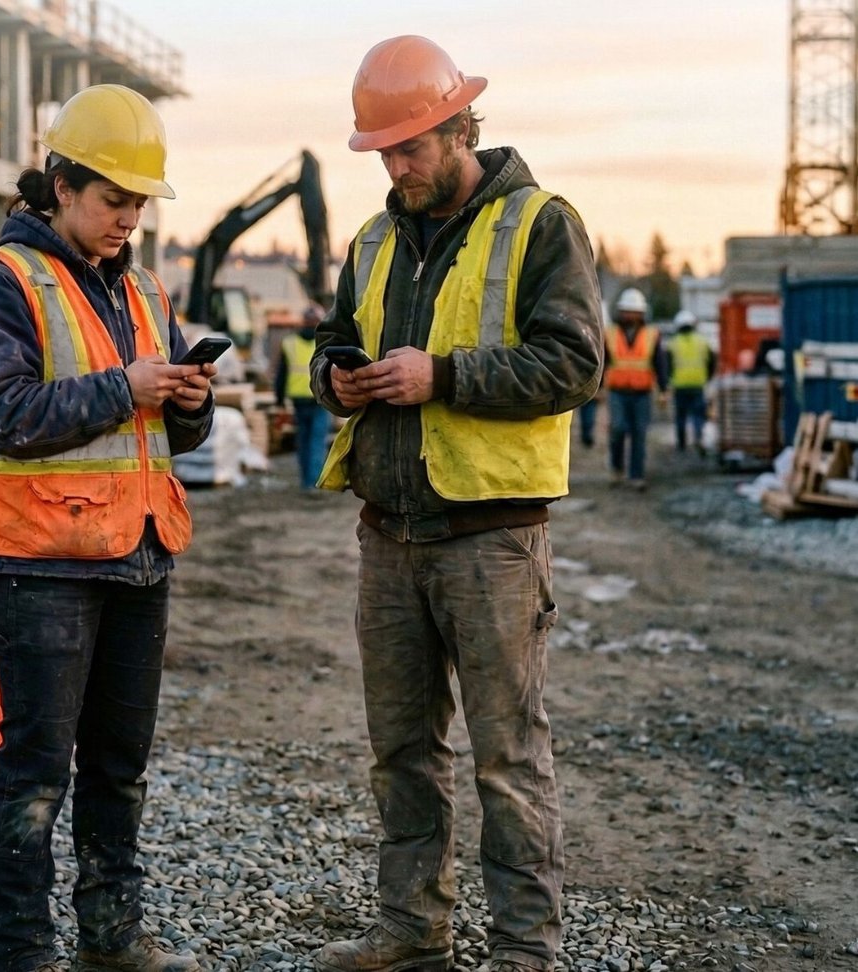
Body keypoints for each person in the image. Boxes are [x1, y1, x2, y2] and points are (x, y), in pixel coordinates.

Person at [309, 35, 604, 972]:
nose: (396, 169)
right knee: (400, 750)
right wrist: (336, 382)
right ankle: (411, 930)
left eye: (410, 149)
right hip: (387, 537)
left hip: (491, 541)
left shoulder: (538, 224)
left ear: (455, 127)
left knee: (506, 758)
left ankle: (524, 950)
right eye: (384, 153)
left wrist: (442, 374)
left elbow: (574, 362)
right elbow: (330, 342)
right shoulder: (372, 239)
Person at [0, 84, 213, 972]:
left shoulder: (140, 287)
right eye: (113, 200)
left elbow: (171, 431)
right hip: (45, 567)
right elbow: (1, 413)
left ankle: (112, 938)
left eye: (139, 203)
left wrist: (187, 401)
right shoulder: (4, 284)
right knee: (35, 774)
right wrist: (125, 389)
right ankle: (22, 954)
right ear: (60, 187)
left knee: (118, 768)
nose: (128, 220)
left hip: (140, 554)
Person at [604, 287, 667, 490]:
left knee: (639, 434)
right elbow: (602, 362)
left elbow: (660, 363)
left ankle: (636, 475)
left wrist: (664, 389)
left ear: (641, 313)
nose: (630, 315)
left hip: (642, 392)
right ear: (621, 312)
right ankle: (616, 469)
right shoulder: (610, 333)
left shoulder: (651, 334)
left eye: (634, 311)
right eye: (627, 311)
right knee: (618, 429)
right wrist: (595, 388)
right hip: (617, 391)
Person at [275, 303, 333, 489]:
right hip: (320, 397)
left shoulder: (289, 342)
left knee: (303, 440)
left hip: (298, 399)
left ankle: (305, 481)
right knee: (317, 441)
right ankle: (313, 481)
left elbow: (281, 374)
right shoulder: (326, 342)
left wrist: (279, 399)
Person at [666, 309, 715, 455]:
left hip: (679, 385)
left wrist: (669, 381)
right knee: (698, 415)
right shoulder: (703, 342)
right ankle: (699, 437)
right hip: (698, 384)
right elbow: (711, 362)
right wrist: (707, 377)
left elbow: (668, 365)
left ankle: (681, 444)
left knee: (680, 416)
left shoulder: (673, 343)